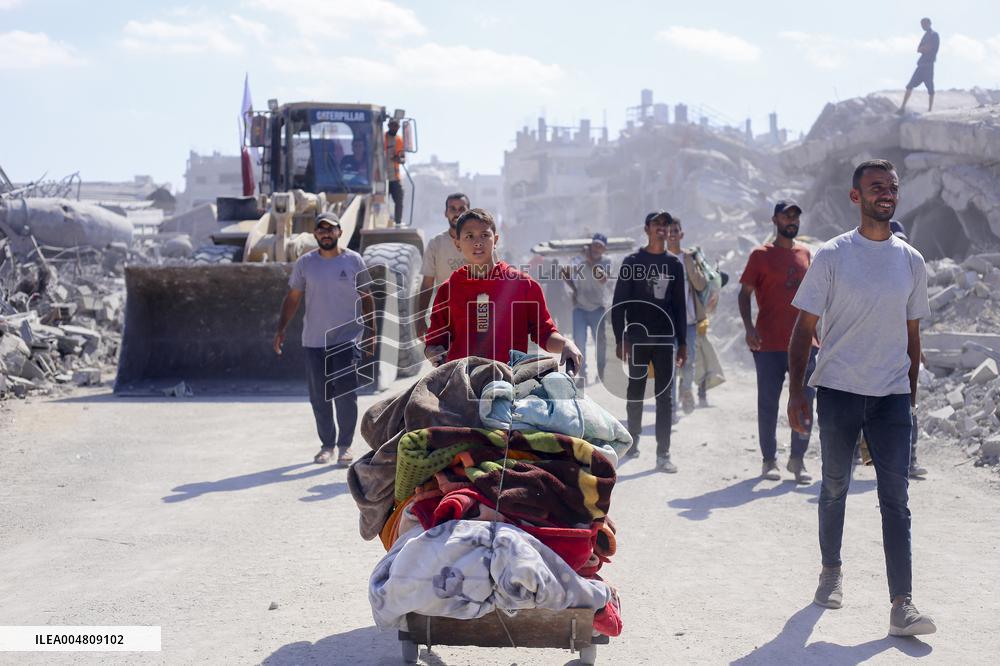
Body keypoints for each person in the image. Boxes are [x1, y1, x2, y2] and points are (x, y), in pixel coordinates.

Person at [787, 159, 936, 636]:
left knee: (896, 499)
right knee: (834, 486)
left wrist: (910, 397)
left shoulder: (911, 260)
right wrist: (797, 392)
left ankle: (902, 605)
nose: (886, 193)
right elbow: (803, 329)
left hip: (891, 396)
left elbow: (913, 337)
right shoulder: (833, 255)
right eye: (876, 187)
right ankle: (831, 571)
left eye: (892, 186)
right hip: (839, 391)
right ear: (856, 196)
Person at [273, 212, 375, 466]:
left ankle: (345, 446)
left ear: (340, 232)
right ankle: (327, 445)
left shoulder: (354, 260)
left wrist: (371, 332)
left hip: (347, 338)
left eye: (331, 229)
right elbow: (293, 298)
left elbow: (367, 298)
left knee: (345, 393)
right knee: (319, 397)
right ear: (315, 233)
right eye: (321, 229)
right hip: (314, 340)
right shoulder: (306, 263)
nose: (326, 233)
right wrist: (281, 329)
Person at [424, 208, 582, 369]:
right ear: (457, 243)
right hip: (462, 379)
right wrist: (433, 352)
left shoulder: (524, 285)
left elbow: (545, 333)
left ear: (496, 239)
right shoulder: (448, 290)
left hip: (510, 378)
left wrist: (566, 344)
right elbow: (435, 342)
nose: (477, 242)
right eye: (469, 236)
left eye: (484, 235)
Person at [738, 200, 818, 484]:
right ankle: (769, 460)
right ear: (775, 220)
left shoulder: (806, 253)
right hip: (769, 343)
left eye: (795, 216)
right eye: (786, 216)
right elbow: (744, 294)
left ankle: (798, 460)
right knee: (768, 404)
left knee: (805, 402)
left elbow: (815, 296)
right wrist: (749, 328)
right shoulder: (760, 255)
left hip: (805, 343)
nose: (792, 220)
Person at [611, 211, 688, 473]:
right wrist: (621, 338)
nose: (662, 228)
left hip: (665, 339)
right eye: (657, 224)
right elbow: (619, 303)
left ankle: (663, 454)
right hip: (637, 338)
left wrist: (683, 342)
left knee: (665, 397)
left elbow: (679, 306)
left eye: (666, 224)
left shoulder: (674, 264)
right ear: (647, 229)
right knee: (636, 392)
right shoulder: (632, 261)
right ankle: (632, 443)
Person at [889, 220, 928, 479]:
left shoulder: (911, 272)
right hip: (879, 353)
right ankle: (863, 453)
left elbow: (913, 321)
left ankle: (910, 460)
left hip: (903, 353)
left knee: (909, 406)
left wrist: (917, 350)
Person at [665, 217, 709, 416]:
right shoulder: (659, 259)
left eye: (675, 230)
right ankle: (671, 408)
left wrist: (690, 264)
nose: (672, 234)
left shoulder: (689, 258)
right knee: (670, 367)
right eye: (669, 231)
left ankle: (686, 390)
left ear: (681, 234)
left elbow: (701, 285)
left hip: (688, 322)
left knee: (689, 361)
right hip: (667, 324)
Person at [415, 193, 470, 339]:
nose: (457, 213)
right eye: (452, 209)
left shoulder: (480, 243)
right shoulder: (436, 244)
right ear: (446, 213)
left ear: (469, 213)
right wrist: (420, 319)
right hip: (445, 317)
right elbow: (427, 284)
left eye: (462, 209)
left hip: (475, 316)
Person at [563, 232, 612, 385]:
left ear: (604, 249)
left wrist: (589, 260)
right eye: (595, 245)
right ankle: (582, 373)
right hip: (580, 308)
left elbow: (602, 279)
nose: (596, 249)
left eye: (600, 246)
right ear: (591, 246)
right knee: (579, 343)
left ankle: (601, 372)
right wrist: (574, 289)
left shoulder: (606, 261)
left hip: (598, 308)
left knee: (600, 344)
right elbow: (564, 272)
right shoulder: (579, 260)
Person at [900, 18, 940, 114]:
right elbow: (919, 49)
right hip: (921, 65)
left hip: (928, 65)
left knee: (930, 88)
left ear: (929, 23)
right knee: (910, 85)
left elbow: (929, 48)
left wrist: (924, 48)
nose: (923, 26)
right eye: (922, 25)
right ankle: (902, 108)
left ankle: (930, 109)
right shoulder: (925, 36)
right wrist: (924, 48)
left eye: (924, 24)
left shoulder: (934, 35)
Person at [385, 119, 405, 224]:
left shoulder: (399, 140)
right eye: (393, 125)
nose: (395, 128)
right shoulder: (382, 138)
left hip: (395, 177)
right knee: (383, 202)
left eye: (396, 126)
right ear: (388, 126)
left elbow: (403, 158)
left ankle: (398, 222)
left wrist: (398, 159)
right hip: (382, 178)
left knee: (399, 199)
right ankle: (384, 220)